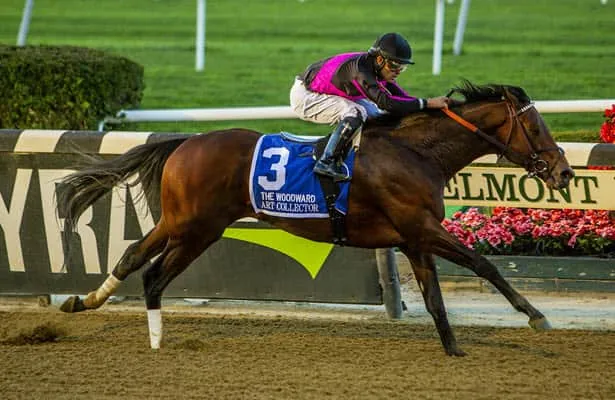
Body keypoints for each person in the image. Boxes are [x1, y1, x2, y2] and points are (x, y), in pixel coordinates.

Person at [290, 32, 451, 181]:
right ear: (380, 60)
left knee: (376, 116)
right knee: (356, 113)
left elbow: (402, 98)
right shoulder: (361, 71)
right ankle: (326, 162)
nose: (397, 71)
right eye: (395, 66)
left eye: (402, 68)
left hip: (328, 92)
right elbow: (387, 103)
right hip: (306, 96)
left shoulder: (375, 67)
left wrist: (428, 106)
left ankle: (369, 157)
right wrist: (427, 103)